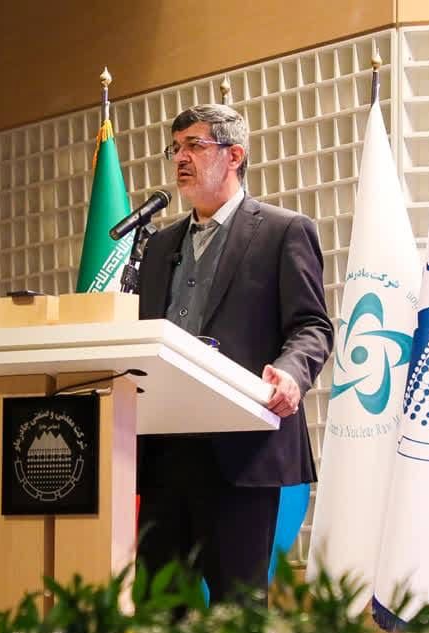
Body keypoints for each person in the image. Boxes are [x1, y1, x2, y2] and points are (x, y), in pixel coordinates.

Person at [135, 103, 333, 603]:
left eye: (195, 146)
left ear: (235, 155)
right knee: (159, 613)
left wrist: (290, 375)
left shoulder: (283, 231)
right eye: (175, 148)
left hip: (241, 452)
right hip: (165, 455)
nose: (181, 158)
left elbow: (311, 326)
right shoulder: (158, 247)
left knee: (237, 612)